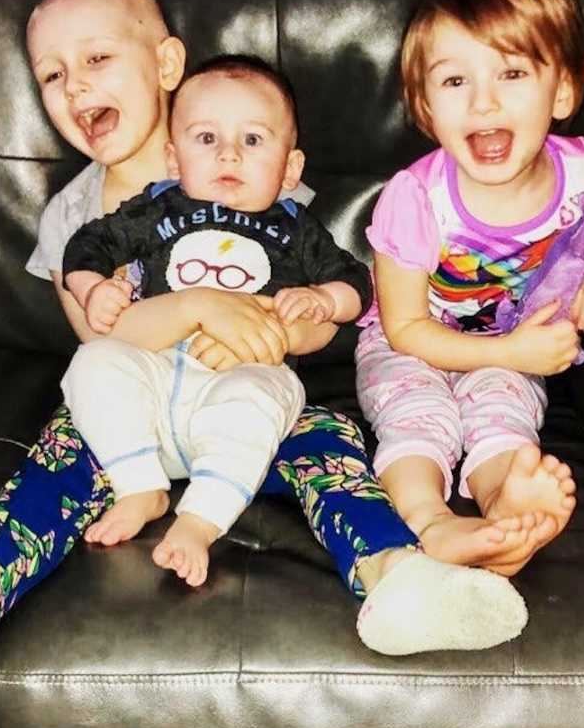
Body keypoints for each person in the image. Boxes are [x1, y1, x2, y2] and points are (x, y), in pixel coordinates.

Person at [0, 0, 533, 693]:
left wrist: (286, 328)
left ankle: (399, 578)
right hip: (136, 417)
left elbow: (318, 297)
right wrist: (200, 308)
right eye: (53, 75)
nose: (75, 87)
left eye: (97, 60)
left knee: (332, 445)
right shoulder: (72, 220)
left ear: (165, 66)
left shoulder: (246, 155)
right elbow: (103, 338)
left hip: (253, 400)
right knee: (58, 456)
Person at [357, 0, 584, 578]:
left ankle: (505, 510)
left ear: (562, 89)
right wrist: (510, 353)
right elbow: (405, 330)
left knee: (505, 412)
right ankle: (434, 523)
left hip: (512, 347)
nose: (482, 103)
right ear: (425, 109)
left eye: (511, 73)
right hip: (411, 344)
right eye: (455, 81)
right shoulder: (415, 198)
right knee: (417, 414)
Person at [59, 54, 373, 588]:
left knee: (259, 399)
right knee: (92, 362)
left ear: (290, 169)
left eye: (253, 140)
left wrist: (325, 299)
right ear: (174, 158)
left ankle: (199, 521)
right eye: (205, 139)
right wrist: (95, 290)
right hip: (156, 369)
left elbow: (356, 282)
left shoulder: (295, 227)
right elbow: (87, 245)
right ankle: (140, 486)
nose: (228, 153)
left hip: (245, 370)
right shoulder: (156, 210)